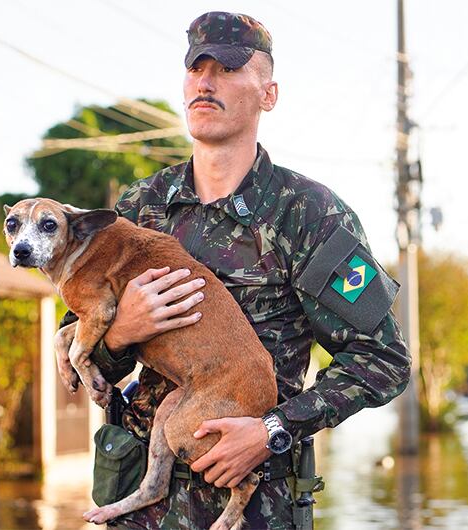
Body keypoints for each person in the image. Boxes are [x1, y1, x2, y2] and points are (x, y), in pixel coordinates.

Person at [62, 11, 410, 529]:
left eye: (226, 69)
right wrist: (120, 334)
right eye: (195, 68)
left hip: (253, 509)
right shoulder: (140, 206)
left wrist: (273, 429)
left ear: (268, 94)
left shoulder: (307, 213)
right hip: (137, 501)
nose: (205, 82)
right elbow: (82, 368)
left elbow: (383, 359)